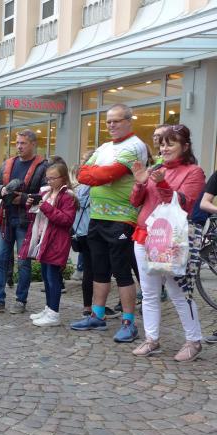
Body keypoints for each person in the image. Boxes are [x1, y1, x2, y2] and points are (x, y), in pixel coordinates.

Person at [71, 104, 149, 342]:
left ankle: (128, 322)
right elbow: (82, 173)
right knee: (100, 269)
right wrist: (93, 174)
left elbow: (107, 175)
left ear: (129, 121)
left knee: (122, 271)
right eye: (108, 121)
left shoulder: (135, 145)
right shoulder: (105, 147)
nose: (112, 125)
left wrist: (95, 173)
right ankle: (97, 315)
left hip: (121, 218)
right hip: (97, 216)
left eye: (117, 120)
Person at [128, 125, 205, 361]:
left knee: (178, 291)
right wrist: (140, 183)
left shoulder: (194, 172)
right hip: (144, 236)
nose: (164, 148)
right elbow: (135, 202)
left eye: (170, 144)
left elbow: (184, 204)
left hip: (171, 239)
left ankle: (194, 341)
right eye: (162, 144)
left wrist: (161, 184)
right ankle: (151, 339)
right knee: (149, 293)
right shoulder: (156, 169)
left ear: (185, 146)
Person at [0, 130, 48, 315]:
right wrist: (2, 190)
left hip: (26, 220)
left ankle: (20, 300)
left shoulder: (42, 166)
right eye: (17, 143)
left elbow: (46, 194)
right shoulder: (7, 164)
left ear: (33, 144)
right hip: (4, 218)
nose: (19, 146)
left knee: (23, 262)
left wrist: (23, 198)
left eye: (23, 143)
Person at [20, 163, 77, 327]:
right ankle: (48, 308)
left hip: (57, 241)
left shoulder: (68, 196)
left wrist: (45, 207)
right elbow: (34, 215)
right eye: (48, 178)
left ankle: (54, 313)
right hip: (44, 239)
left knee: (53, 278)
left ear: (63, 178)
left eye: (53, 178)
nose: (49, 181)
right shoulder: (45, 192)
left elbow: (66, 220)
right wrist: (30, 204)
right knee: (46, 276)